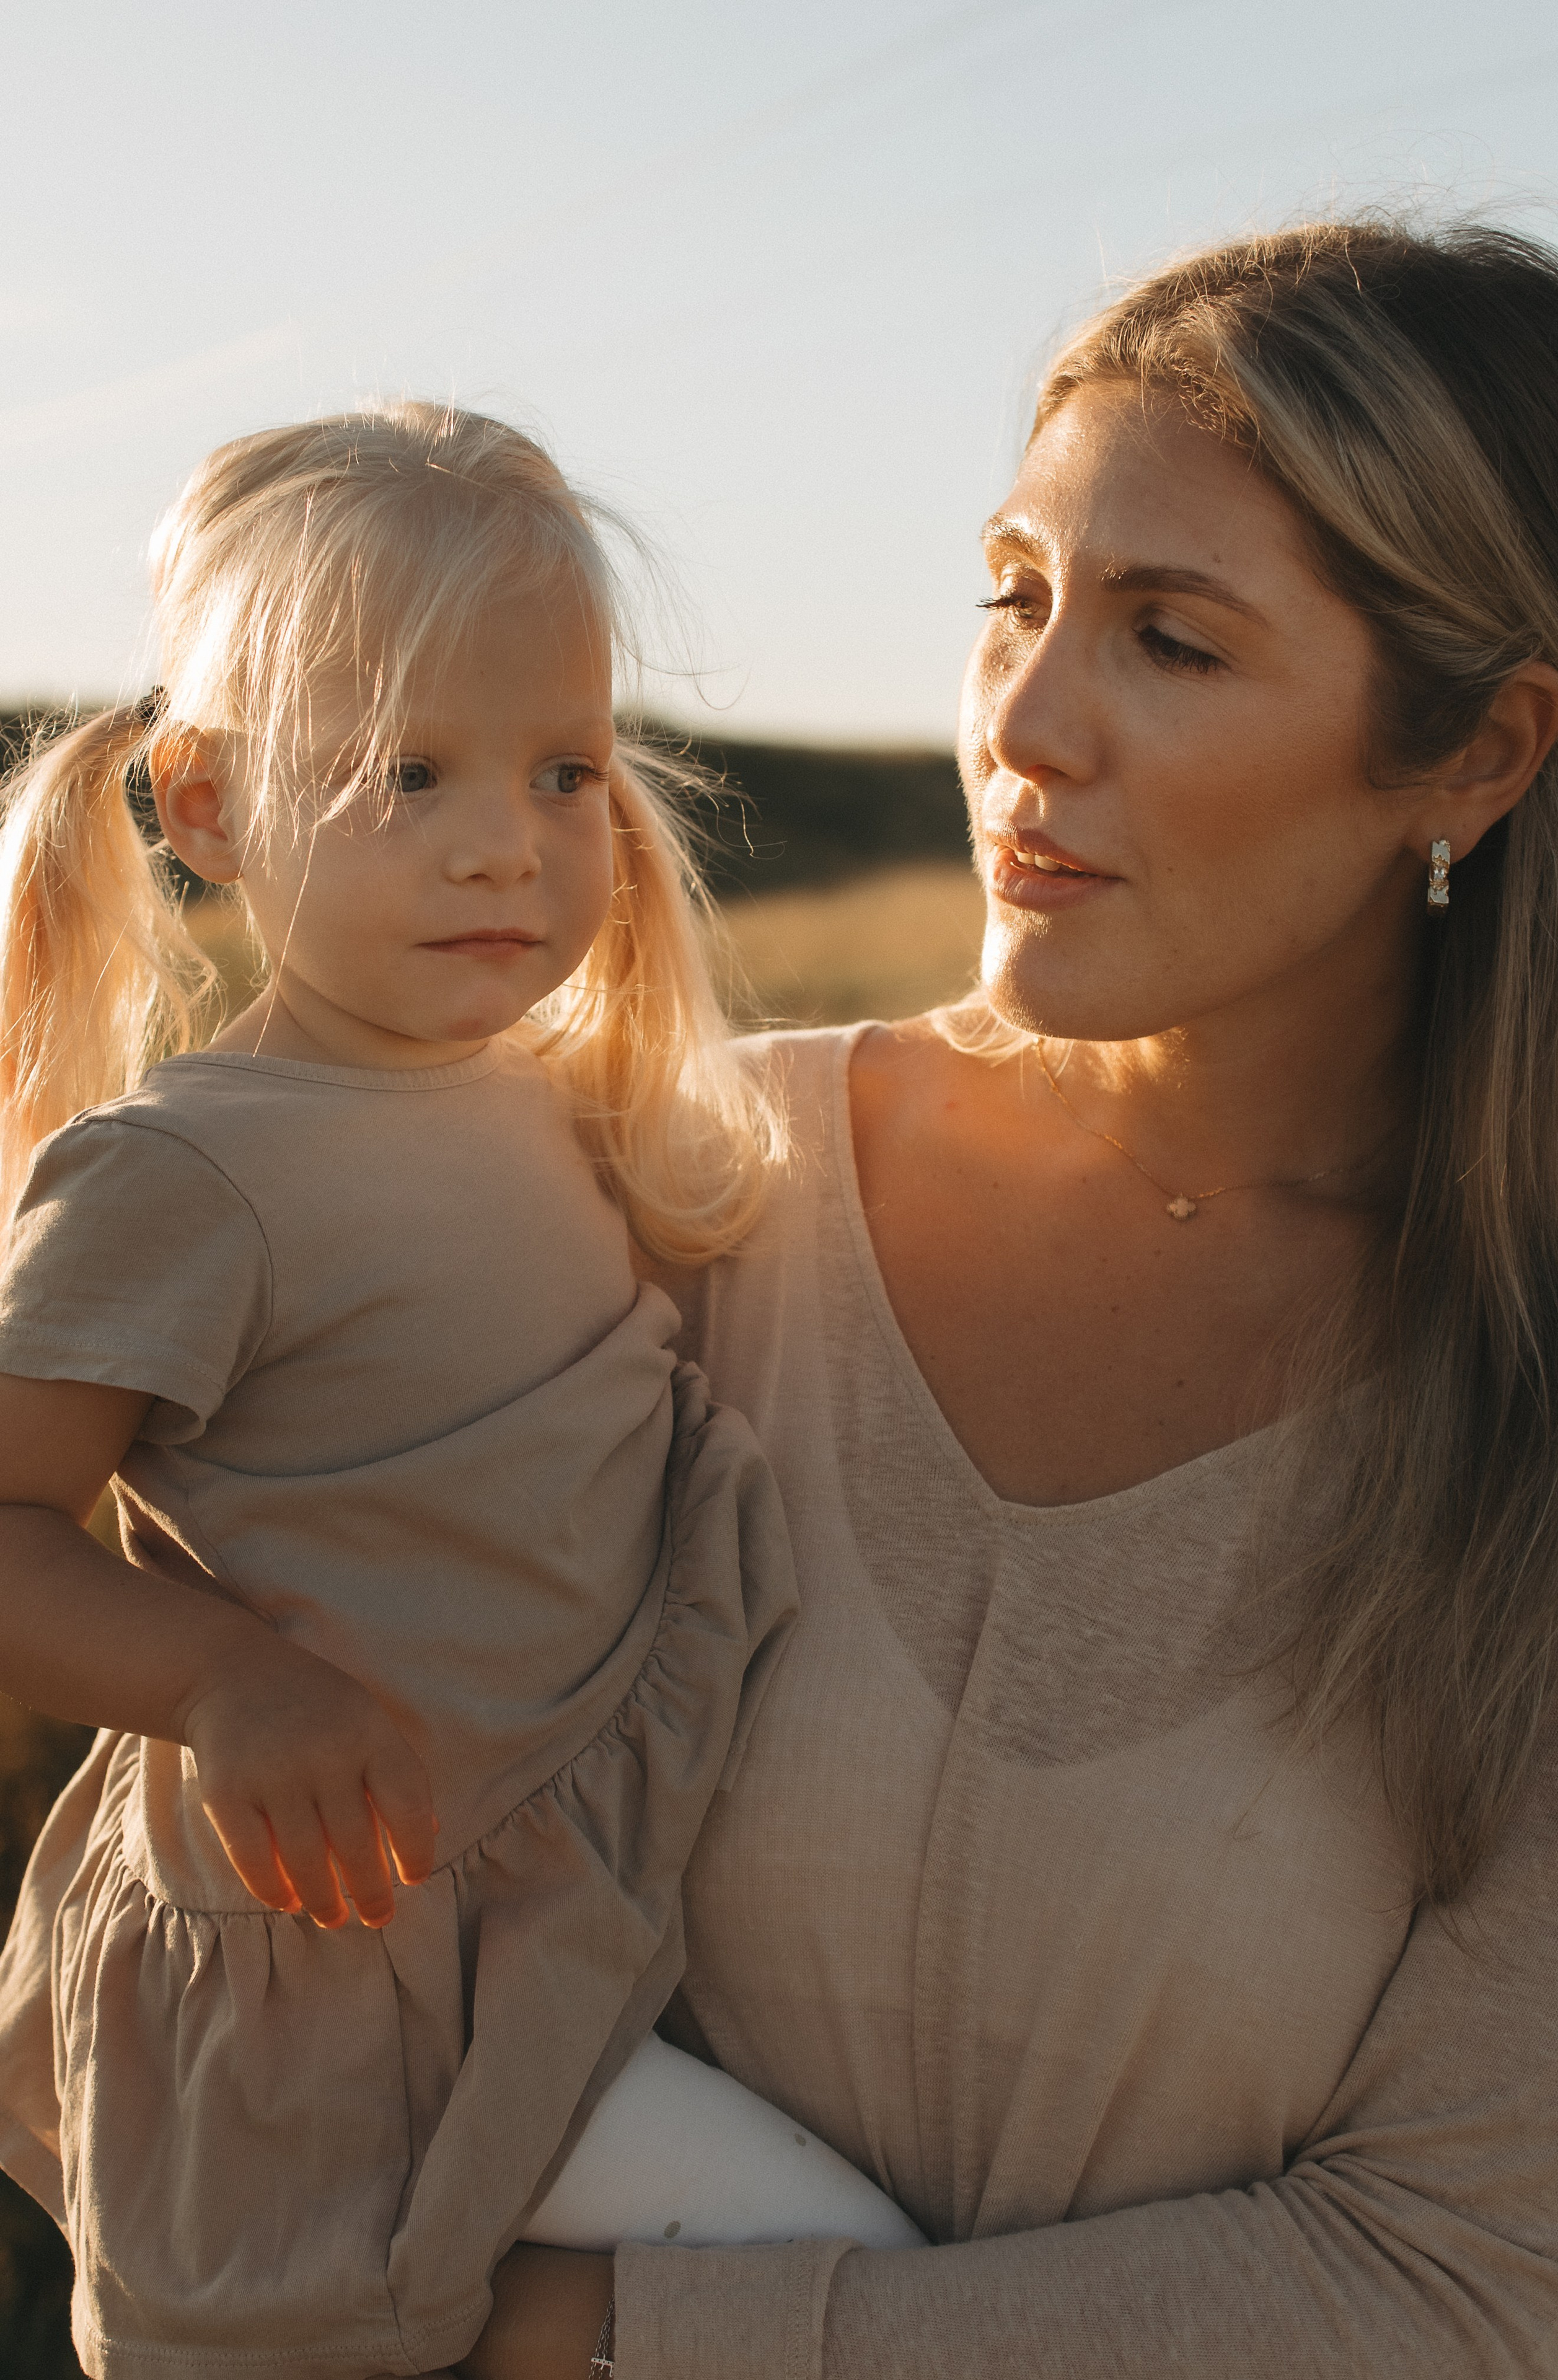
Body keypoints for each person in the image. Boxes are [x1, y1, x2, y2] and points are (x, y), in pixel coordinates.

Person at [472, 219, 1558, 2378]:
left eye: (1171, 642)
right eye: (1015, 597)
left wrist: (600, 2341)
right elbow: (167, 1953)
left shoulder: (1544, 1418)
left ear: (1477, 752)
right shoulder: (659, 1196)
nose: (1022, 725)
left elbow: (1481, 2284)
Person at [0, 405, 919, 2380]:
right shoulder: (194, 1168)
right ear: (213, 803)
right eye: (406, 771)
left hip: (562, 1917)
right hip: (353, 1975)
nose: (508, 835)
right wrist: (222, 1683)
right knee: (840, 2272)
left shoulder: (550, 1103)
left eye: (563, 769)